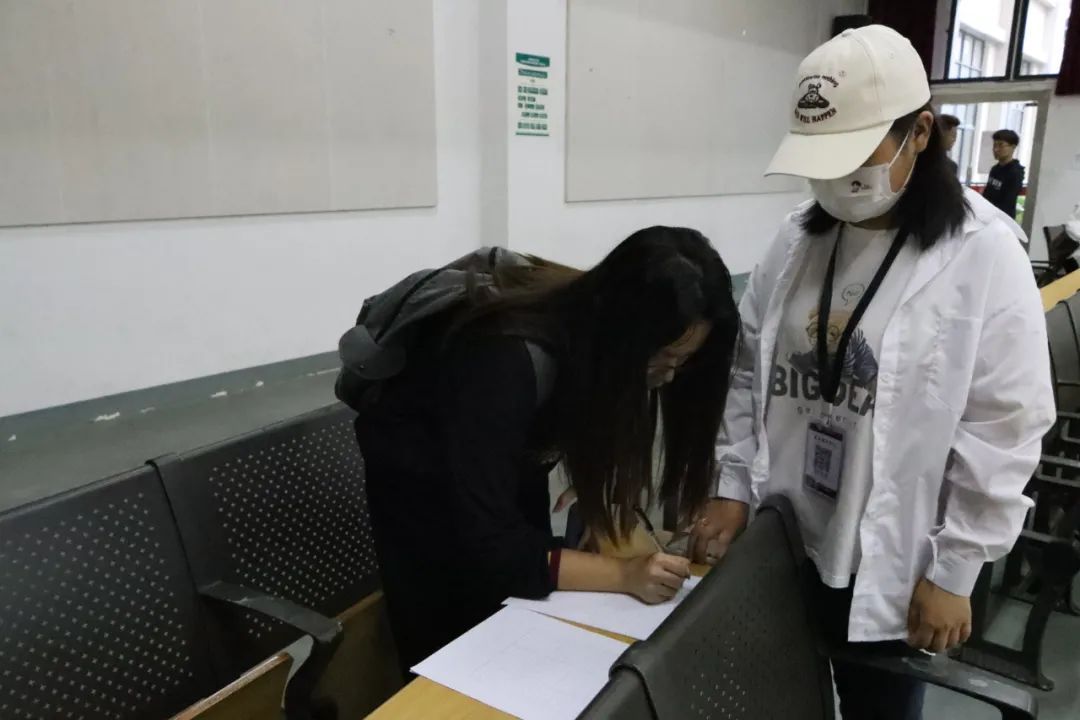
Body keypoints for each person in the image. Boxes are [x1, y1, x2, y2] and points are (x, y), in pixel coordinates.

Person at [690, 25, 1054, 720]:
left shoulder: (983, 254)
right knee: (777, 700)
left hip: (893, 557)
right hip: (786, 534)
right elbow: (748, 372)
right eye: (820, 158)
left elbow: (1004, 426)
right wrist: (731, 484)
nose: (836, 179)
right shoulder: (797, 239)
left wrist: (956, 568)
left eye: (855, 154)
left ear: (920, 133)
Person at [353, 227, 740, 671]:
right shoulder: (504, 358)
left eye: (681, 362)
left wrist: (599, 519)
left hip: (498, 470)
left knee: (524, 621)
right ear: (625, 335)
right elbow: (494, 549)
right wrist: (623, 574)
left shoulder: (590, 330)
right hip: (420, 493)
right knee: (452, 654)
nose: (668, 376)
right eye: (661, 359)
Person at [983, 129, 1025, 219]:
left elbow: (1007, 202)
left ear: (1013, 147)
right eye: (994, 145)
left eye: (1000, 145)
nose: (996, 149)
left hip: (1003, 219)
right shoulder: (994, 169)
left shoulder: (1016, 172)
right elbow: (986, 194)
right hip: (987, 216)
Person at [939, 113, 961, 178]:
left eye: (955, 136)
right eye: (953, 135)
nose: (955, 140)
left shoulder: (952, 166)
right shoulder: (919, 160)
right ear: (942, 134)